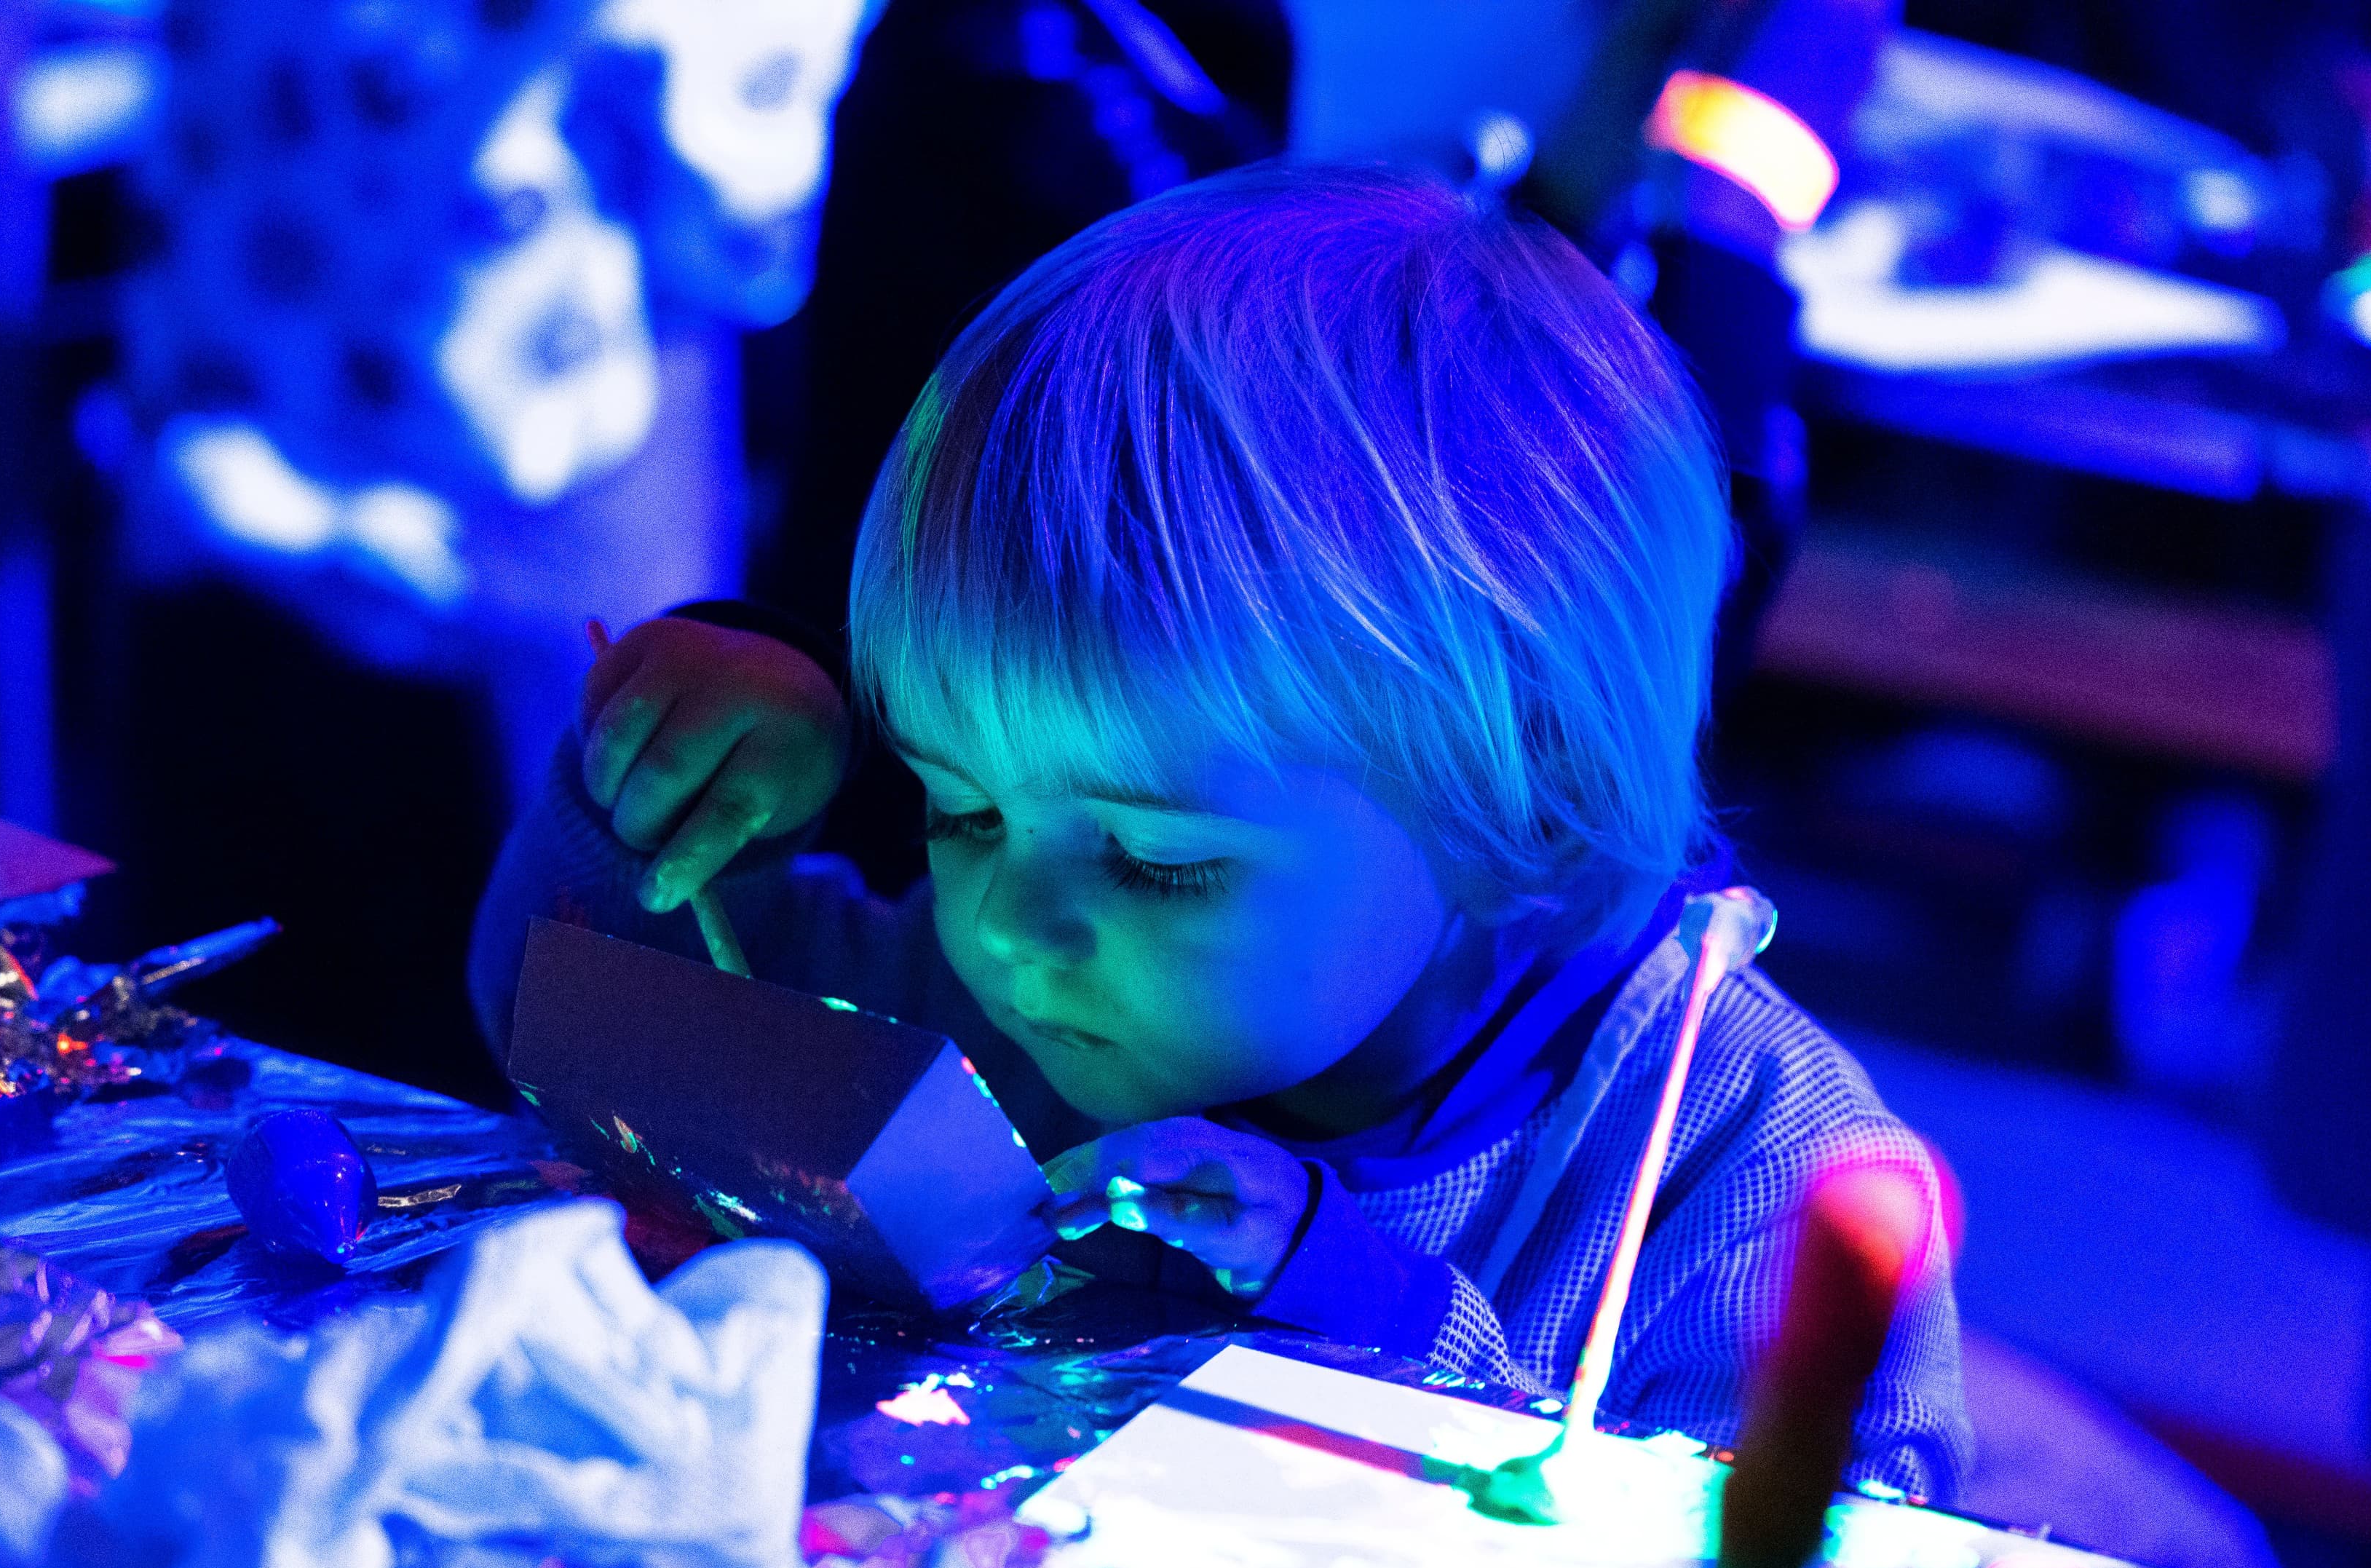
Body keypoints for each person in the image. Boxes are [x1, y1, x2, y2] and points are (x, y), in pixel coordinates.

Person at [471, 163, 1971, 1497]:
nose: (1004, 922)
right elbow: (585, 1026)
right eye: (958, 802)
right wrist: (653, 785)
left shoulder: (1760, 1186)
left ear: (1524, 794)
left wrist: (1358, 1303)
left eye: (1158, 860)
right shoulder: (1010, 991)